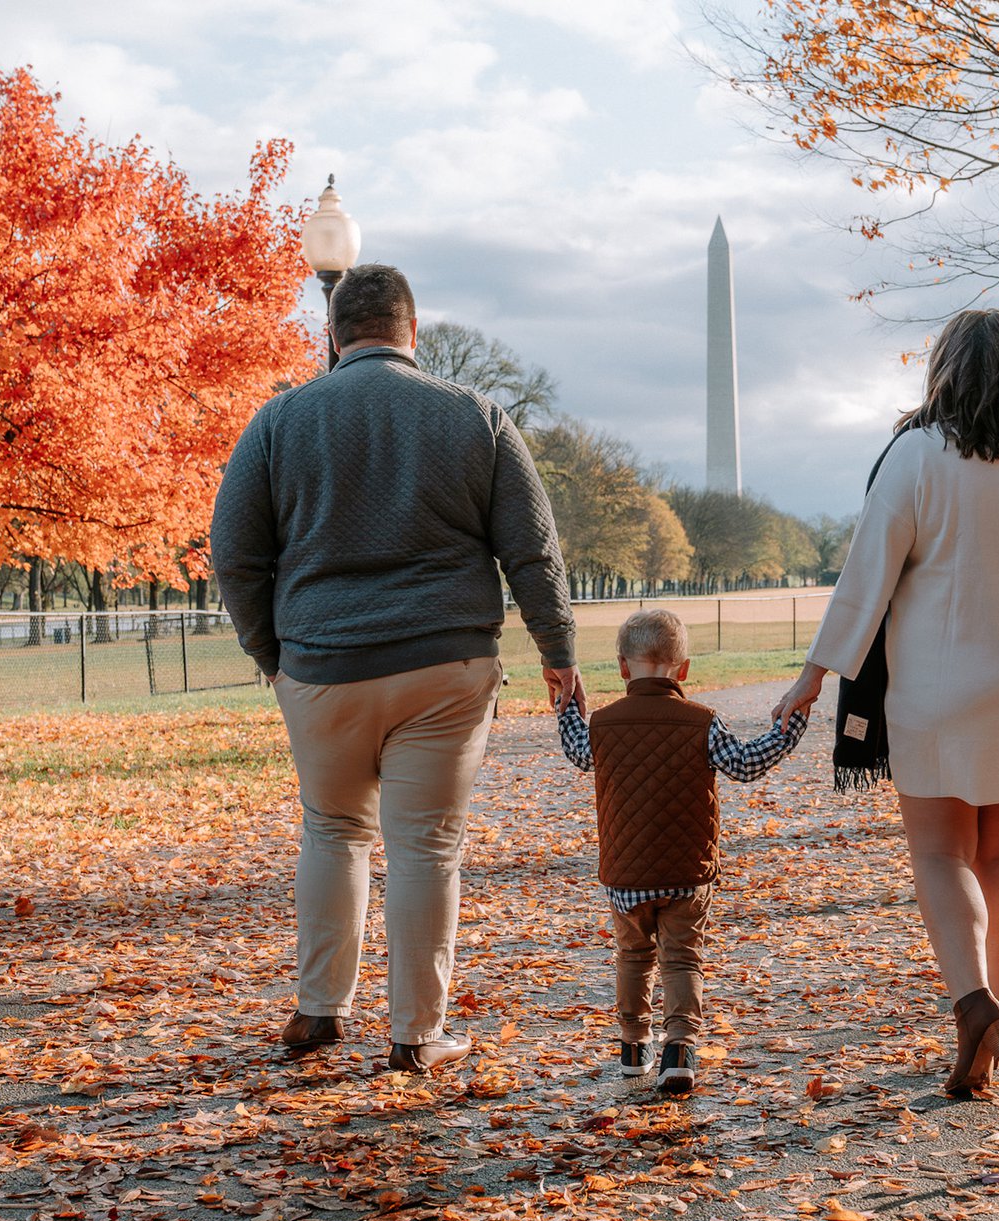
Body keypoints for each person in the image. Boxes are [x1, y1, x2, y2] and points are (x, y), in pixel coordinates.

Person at [209, 263, 581, 1074]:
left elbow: (234, 556)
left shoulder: (278, 422)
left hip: (321, 666)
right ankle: (416, 1032)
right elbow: (533, 552)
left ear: (333, 336)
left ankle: (319, 1006)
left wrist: (273, 653)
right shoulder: (475, 415)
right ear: (415, 333)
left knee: (333, 828)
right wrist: (558, 654)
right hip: (444, 665)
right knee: (425, 847)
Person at [771, 309, 999, 1097]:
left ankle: (973, 1003)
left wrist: (817, 672)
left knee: (939, 851)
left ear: (945, 372)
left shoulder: (917, 456)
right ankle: (998, 998)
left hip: (942, 679)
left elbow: (868, 575)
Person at [558, 609, 806, 1094]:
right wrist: (788, 729)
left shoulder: (603, 726)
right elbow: (746, 764)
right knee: (682, 959)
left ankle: (633, 1046)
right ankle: (679, 1048)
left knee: (632, 955)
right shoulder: (702, 722)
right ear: (684, 669)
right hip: (686, 872)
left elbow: (576, 749)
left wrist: (567, 705)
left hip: (625, 874)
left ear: (623, 668)